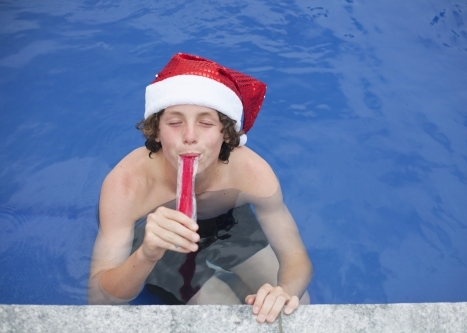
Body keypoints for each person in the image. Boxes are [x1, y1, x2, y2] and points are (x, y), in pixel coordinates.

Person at [88, 53, 312, 324]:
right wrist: (148, 253)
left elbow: (295, 256)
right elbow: (99, 299)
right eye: (174, 122)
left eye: (205, 123)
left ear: (227, 133)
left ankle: (244, 289)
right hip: (157, 239)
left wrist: (283, 291)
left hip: (228, 224)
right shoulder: (128, 185)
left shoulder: (251, 174)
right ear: (156, 131)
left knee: (294, 304)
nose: (190, 136)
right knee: (224, 317)